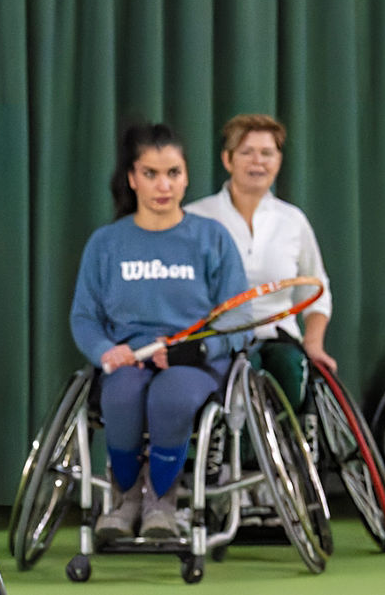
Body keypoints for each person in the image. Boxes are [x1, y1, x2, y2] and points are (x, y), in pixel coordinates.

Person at [70, 123, 251, 541]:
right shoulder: (106, 243)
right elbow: (84, 317)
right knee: (122, 392)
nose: (162, 185)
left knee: (171, 395)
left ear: (186, 176)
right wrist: (104, 352)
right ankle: (126, 500)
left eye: (173, 172)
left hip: (193, 361)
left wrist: (196, 351)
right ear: (132, 178)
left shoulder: (212, 238)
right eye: (150, 174)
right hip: (129, 359)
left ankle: (162, 504)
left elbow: (238, 320)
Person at [185, 113, 334, 407]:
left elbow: (316, 290)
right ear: (228, 160)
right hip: (216, 338)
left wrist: (313, 344)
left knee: (291, 373)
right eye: (247, 152)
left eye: (267, 153)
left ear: (278, 161)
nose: (258, 161)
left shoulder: (293, 221)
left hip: (277, 339)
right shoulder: (196, 218)